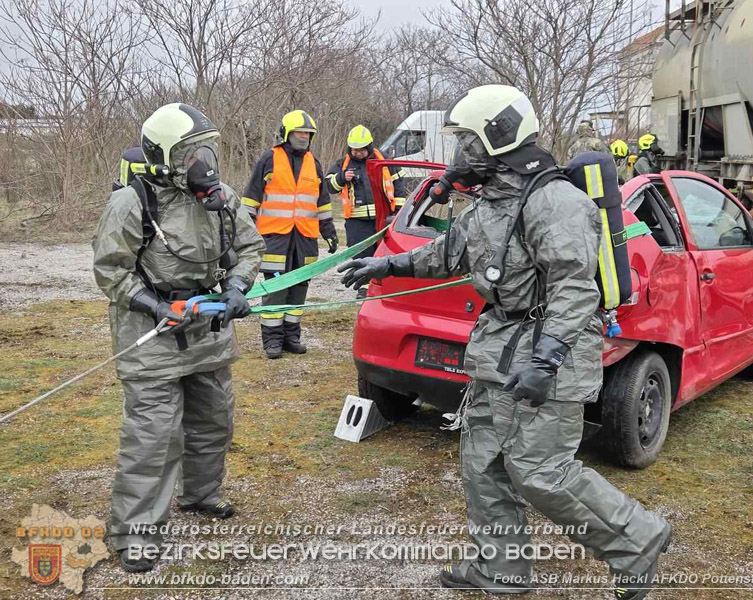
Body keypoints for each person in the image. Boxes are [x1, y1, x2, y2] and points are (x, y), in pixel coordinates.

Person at [338, 85, 672, 600]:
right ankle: (501, 569)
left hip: (549, 353)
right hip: (497, 350)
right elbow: (448, 253)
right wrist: (387, 264)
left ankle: (637, 539)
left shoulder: (554, 202)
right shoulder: (492, 203)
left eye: (466, 141)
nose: (459, 153)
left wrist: (547, 360)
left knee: (540, 472)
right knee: (484, 463)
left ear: (495, 139)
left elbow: (575, 289)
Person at [92, 103, 265, 573]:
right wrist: (154, 307)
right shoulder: (132, 203)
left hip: (208, 330)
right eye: (191, 152)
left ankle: (201, 493)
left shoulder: (221, 198)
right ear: (166, 156)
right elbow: (110, 270)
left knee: (213, 420)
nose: (202, 160)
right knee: (153, 438)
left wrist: (237, 287)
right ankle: (135, 534)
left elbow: (250, 246)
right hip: (152, 335)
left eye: (205, 150)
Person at [241, 110, 338, 359]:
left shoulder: (314, 163)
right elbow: (251, 199)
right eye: (298, 132)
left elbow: (322, 203)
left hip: (305, 239)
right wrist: (244, 234)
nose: (303, 137)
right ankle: (272, 341)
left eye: (307, 133)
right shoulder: (269, 159)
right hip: (275, 238)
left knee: (299, 289)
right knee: (275, 289)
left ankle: (292, 337)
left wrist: (329, 232)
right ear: (286, 134)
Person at [326, 125, 397, 298]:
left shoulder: (383, 161)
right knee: (361, 254)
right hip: (356, 220)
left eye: (362, 150)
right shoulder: (343, 164)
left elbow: (398, 183)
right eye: (354, 150)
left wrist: (398, 211)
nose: (358, 153)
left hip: (382, 217)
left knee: (384, 252)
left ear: (369, 147)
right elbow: (329, 186)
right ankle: (364, 288)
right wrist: (341, 178)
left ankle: (384, 287)